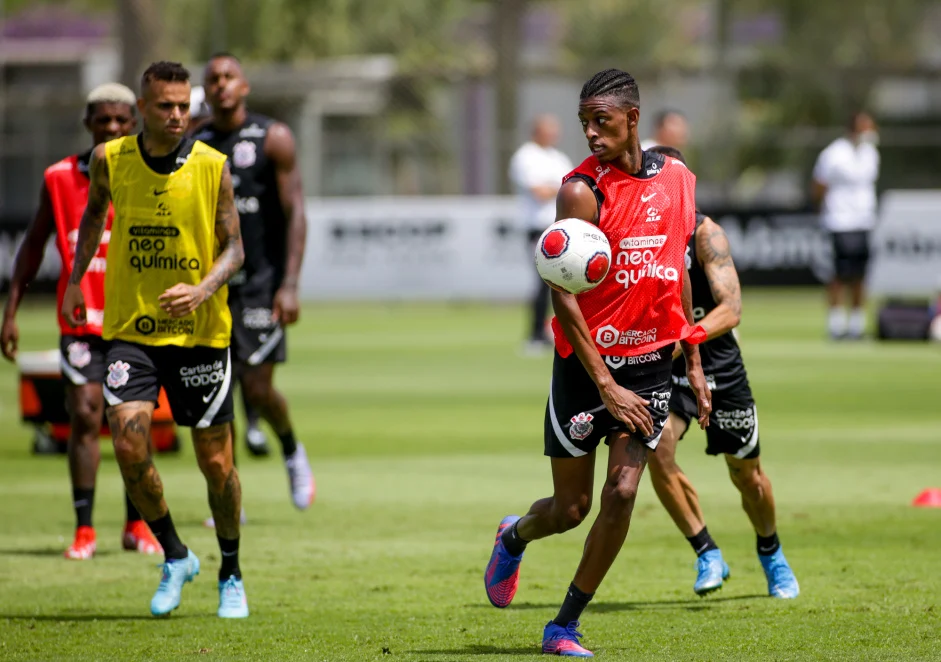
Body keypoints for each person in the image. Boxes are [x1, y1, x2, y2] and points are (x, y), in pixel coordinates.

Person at [484, 69, 712, 658]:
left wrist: (692, 356)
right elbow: (562, 292)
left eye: (601, 121)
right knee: (570, 509)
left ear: (633, 119)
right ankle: (514, 535)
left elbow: (679, 270)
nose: (589, 132)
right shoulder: (580, 191)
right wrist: (604, 383)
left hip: (650, 363)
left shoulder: (679, 180)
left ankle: (563, 626)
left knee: (623, 492)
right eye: (584, 120)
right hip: (587, 368)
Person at [61, 61, 248, 618]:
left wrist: (202, 288)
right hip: (132, 330)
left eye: (183, 106)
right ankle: (174, 554)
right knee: (126, 443)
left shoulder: (213, 166)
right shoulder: (109, 160)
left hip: (200, 333)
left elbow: (235, 248)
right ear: (142, 108)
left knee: (216, 465)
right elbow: (94, 217)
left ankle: (231, 571)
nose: (175, 116)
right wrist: (74, 281)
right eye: (165, 106)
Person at [1, 83, 162, 560]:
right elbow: (33, 245)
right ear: (88, 123)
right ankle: (85, 529)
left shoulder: (148, 173)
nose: (111, 128)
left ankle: (137, 526)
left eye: (120, 120)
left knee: (132, 424)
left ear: (133, 124)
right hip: (80, 321)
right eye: (102, 120)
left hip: (135, 321)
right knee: (86, 415)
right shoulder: (58, 178)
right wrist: (10, 312)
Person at [646, 145, 800, 600]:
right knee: (659, 449)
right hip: (664, 367)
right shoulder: (640, 235)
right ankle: (706, 550)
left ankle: (771, 552)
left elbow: (731, 309)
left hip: (718, 363)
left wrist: (687, 340)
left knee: (747, 476)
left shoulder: (705, 233)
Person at [193, 53, 315, 506]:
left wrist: (290, 284)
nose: (221, 84)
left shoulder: (272, 138)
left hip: (262, 282)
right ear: (204, 91)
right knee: (216, 391)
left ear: (244, 86)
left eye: (229, 77)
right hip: (210, 285)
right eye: (213, 79)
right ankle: (230, 501)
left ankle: (291, 450)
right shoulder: (195, 142)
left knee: (258, 389)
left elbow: (296, 210)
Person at [812, 111, 880, 340]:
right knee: (839, 274)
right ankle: (836, 325)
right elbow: (819, 186)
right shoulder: (833, 154)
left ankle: (857, 326)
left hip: (864, 220)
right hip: (839, 222)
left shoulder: (871, 153)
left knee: (861, 275)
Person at [508, 114, 574, 354]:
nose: (555, 134)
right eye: (550, 129)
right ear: (537, 131)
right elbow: (540, 191)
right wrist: (561, 187)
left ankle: (558, 331)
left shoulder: (558, 157)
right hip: (537, 228)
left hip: (562, 228)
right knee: (542, 281)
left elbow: (571, 187)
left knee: (563, 283)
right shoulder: (526, 156)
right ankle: (535, 335)